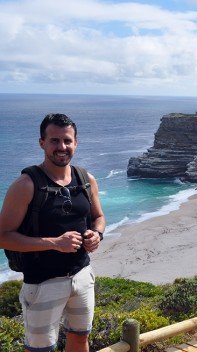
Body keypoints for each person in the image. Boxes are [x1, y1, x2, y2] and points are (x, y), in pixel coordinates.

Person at [0, 114, 105, 352]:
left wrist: (97, 234)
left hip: (82, 276)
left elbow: (99, 217)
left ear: (76, 143)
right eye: (54, 141)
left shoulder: (85, 179)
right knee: (40, 349)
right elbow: (3, 236)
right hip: (42, 282)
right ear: (42, 143)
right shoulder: (26, 185)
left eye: (67, 141)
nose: (62, 147)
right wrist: (54, 243)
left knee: (80, 337)